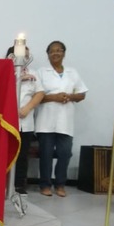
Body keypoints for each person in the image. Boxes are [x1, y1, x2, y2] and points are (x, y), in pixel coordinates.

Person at [35, 41, 88, 197]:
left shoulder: (72, 72)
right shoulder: (41, 72)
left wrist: (69, 96)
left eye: (59, 50)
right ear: (48, 55)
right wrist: (54, 97)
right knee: (46, 154)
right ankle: (45, 185)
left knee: (65, 153)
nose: (55, 53)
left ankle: (60, 184)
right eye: (52, 51)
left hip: (65, 121)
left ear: (64, 53)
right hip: (45, 121)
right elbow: (36, 96)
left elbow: (82, 94)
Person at [6, 45, 44, 194]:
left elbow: (40, 93)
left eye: (27, 56)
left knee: (22, 155)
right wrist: (19, 78)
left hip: (25, 122)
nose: (25, 59)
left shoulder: (33, 73)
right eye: (22, 56)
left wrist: (28, 108)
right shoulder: (5, 71)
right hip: (7, 121)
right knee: (5, 153)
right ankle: (2, 184)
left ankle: (19, 185)